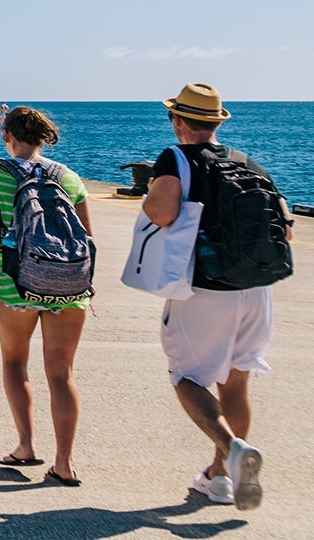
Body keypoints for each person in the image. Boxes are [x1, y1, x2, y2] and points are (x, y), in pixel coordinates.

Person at [141, 83, 288, 510]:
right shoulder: (249, 163)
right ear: (217, 121)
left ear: (179, 121)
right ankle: (219, 479)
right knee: (236, 383)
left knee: (186, 376)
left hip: (205, 288)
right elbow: (285, 226)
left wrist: (154, 202)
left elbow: (162, 212)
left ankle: (233, 450)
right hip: (256, 289)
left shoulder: (176, 158)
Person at [0, 106, 92, 486]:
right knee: (61, 374)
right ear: (42, 138)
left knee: (15, 364)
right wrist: (86, 283)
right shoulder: (68, 177)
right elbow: (86, 236)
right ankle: (65, 463)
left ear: (7, 137)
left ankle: (25, 446)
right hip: (69, 290)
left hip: (17, 287)